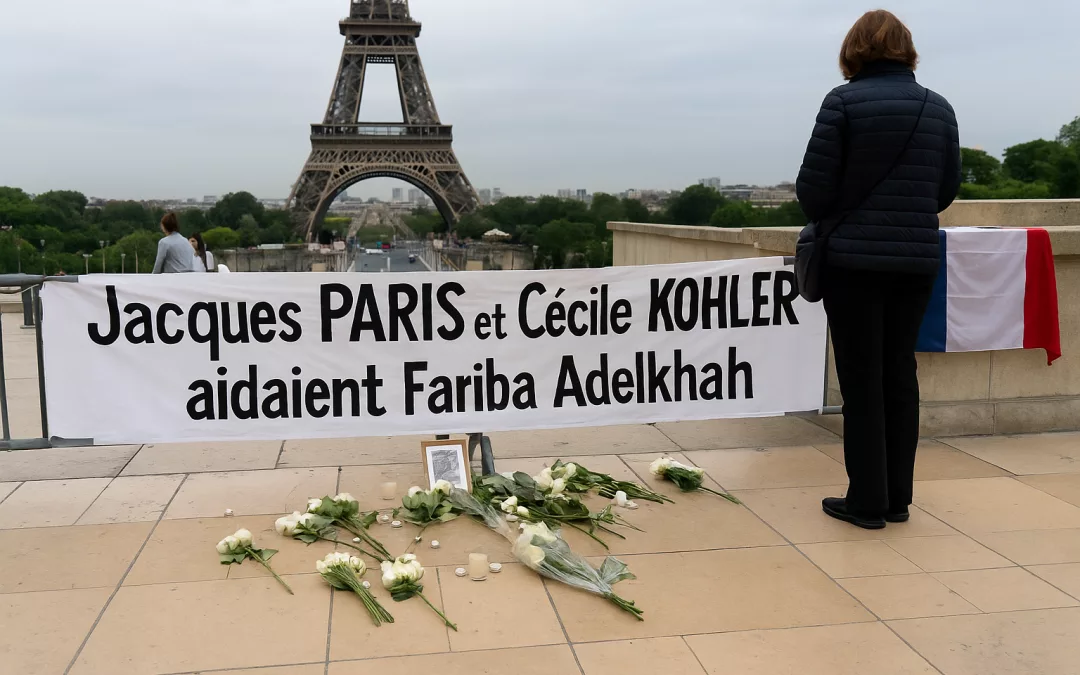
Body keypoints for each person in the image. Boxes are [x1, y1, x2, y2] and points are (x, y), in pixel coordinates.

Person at [796, 10, 961, 530]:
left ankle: (867, 499)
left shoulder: (841, 103)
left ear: (854, 51)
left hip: (853, 261)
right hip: (915, 259)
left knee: (861, 379)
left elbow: (813, 193)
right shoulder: (939, 108)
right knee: (899, 374)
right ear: (906, 51)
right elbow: (945, 190)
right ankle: (897, 497)